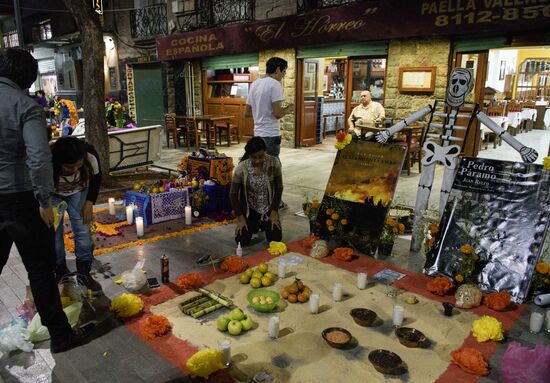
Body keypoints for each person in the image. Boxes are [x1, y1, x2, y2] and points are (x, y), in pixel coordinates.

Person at [0, 48, 89, 353]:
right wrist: (43, 200)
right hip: (19, 198)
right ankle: (61, 335)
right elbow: (38, 159)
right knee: (40, 269)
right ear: (28, 77)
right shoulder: (25, 106)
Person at [51, 137, 103, 295]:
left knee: (82, 229)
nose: (74, 169)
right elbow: (37, 183)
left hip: (79, 192)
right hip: (53, 194)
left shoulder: (90, 155)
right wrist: (44, 206)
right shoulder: (47, 160)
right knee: (54, 234)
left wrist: (89, 202)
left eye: (78, 165)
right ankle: (60, 270)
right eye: (68, 166)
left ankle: (84, 273)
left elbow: (97, 177)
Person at [245, 57, 293, 209]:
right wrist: (289, 109)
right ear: (278, 69)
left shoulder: (254, 84)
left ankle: (259, 201)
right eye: (283, 72)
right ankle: (275, 202)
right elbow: (278, 113)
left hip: (257, 133)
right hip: (271, 135)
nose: (283, 76)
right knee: (273, 170)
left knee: (259, 168)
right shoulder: (274, 84)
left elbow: (247, 112)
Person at [230, 137, 283, 246]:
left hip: (268, 208)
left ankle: (264, 223)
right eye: (254, 157)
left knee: (275, 239)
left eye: (261, 156)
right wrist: (240, 218)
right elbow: (233, 194)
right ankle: (256, 224)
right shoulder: (241, 168)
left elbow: (279, 187)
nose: (258, 160)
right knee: (241, 241)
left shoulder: (274, 163)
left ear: (265, 151)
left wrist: (274, 211)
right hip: (251, 210)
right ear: (249, 155)